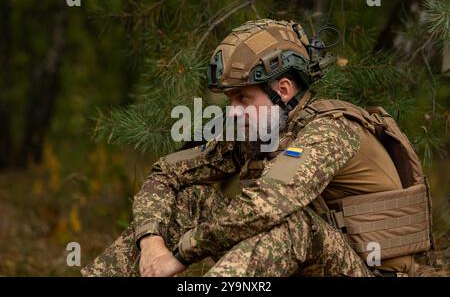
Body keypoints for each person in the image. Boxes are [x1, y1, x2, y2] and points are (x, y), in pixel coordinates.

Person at [82, 19, 431, 277]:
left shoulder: (330, 131)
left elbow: (266, 207)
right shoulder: (260, 127)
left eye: (244, 97)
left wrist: (181, 254)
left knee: (293, 223)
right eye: (232, 99)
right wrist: (151, 242)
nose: (234, 110)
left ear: (283, 88)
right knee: (192, 199)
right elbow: (167, 173)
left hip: (368, 272)